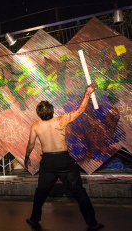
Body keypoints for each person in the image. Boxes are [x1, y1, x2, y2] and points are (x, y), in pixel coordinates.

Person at [24, 83, 104, 230]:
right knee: (79, 192)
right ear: (52, 111)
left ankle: (34, 219)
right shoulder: (62, 119)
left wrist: (26, 157)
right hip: (64, 161)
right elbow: (80, 110)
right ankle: (92, 223)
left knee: (40, 193)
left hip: (48, 163)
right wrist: (87, 93)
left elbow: (30, 145)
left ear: (38, 113)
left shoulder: (35, 126)